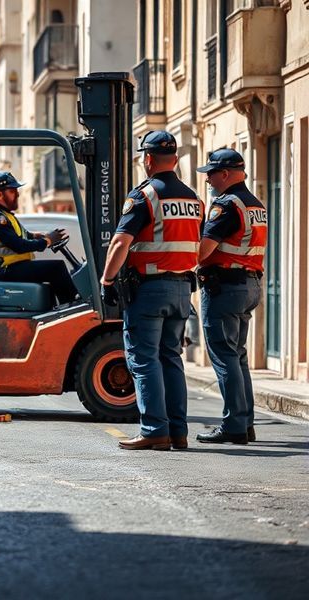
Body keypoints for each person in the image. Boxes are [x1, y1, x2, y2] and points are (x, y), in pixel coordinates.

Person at [100, 131, 203, 451]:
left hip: (149, 290)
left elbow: (120, 243)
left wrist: (107, 281)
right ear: (175, 159)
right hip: (182, 289)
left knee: (144, 360)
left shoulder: (144, 196)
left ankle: (154, 429)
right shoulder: (193, 199)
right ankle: (177, 431)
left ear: (147, 159)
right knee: (171, 357)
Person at [195, 149, 266, 445]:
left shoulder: (226, 205)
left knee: (225, 357)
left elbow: (203, 251)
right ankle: (245, 423)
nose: (208, 180)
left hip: (224, 288)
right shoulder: (255, 204)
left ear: (225, 174)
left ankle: (234, 425)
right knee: (238, 356)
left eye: (211, 174)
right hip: (249, 285)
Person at [0, 171, 77, 304]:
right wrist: (47, 241)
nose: (17, 194)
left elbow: (24, 235)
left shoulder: (4, 214)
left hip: (10, 267)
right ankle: (72, 305)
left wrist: (42, 235)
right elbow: (19, 246)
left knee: (51, 273)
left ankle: (60, 306)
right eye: (12, 191)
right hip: (3, 270)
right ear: (0, 195)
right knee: (56, 268)